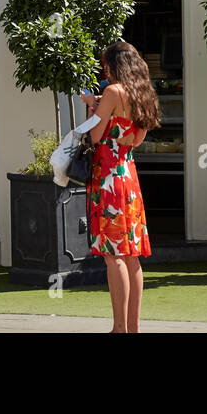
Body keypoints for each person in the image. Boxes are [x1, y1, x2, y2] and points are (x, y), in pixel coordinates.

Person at [83, 40, 161, 333]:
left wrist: (92, 106)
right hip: (128, 175)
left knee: (112, 254)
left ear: (114, 65)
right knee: (131, 254)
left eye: (105, 65)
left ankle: (118, 328)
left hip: (107, 177)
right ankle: (133, 327)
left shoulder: (112, 92)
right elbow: (136, 140)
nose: (104, 70)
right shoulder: (141, 94)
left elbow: (94, 135)